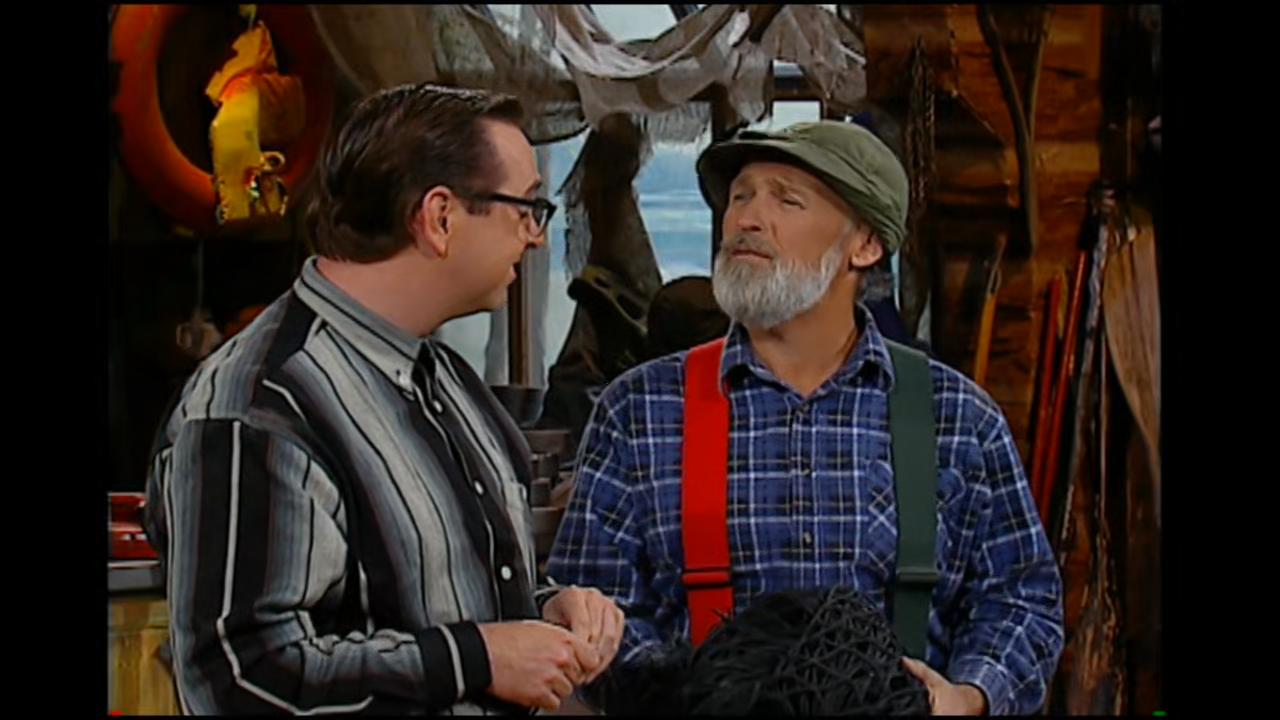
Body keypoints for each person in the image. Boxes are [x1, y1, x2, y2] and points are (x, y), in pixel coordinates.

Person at [544, 120, 1064, 715]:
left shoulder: (958, 418)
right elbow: (590, 606)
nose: (746, 218)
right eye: (740, 196)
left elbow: (1022, 599)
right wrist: (690, 692)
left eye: (786, 200)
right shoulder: (640, 412)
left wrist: (966, 697)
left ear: (864, 245)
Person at [143, 83, 625, 715]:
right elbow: (241, 678)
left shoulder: (449, 381)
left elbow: (434, 609)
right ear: (440, 218)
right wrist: (478, 657)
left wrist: (544, 614)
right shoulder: (258, 406)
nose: (536, 237)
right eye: (528, 207)